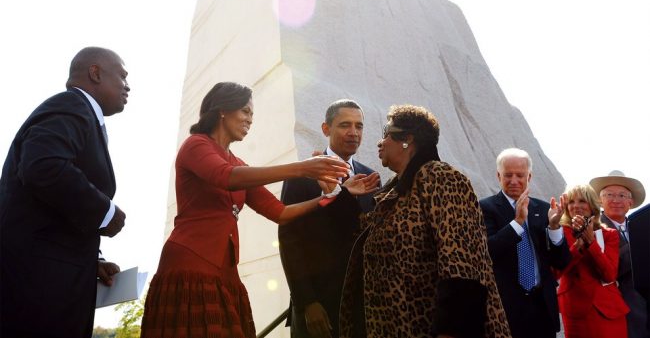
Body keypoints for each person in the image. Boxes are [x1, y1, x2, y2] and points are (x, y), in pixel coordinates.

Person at [139, 82, 375, 338]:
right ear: (222, 110)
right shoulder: (196, 145)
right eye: (245, 111)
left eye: (252, 114)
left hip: (224, 271)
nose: (250, 120)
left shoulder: (238, 162)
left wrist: (334, 195)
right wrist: (302, 168)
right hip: (189, 264)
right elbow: (226, 176)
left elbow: (279, 213)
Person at [332, 104, 511, 338]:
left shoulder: (441, 177)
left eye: (386, 134)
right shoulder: (392, 191)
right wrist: (340, 196)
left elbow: (463, 265)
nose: (380, 142)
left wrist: (451, 331)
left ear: (407, 139)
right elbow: (356, 244)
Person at [0, 47, 129, 338]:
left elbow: (53, 205)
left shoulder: (81, 114)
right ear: (95, 73)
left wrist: (93, 259)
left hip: (53, 278)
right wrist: (104, 211)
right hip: (38, 284)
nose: (127, 85)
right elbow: (42, 166)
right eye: (122, 76)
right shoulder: (71, 106)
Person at [278, 99, 379, 338]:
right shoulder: (303, 174)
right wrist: (307, 301)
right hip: (318, 308)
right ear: (326, 129)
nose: (354, 133)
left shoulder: (371, 178)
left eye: (359, 126)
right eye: (345, 125)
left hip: (362, 308)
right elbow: (290, 240)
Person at [479, 148, 570, 338]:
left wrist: (554, 227)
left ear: (529, 176)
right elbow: (488, 252)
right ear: (498, 176)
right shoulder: (484, 207)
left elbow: (561, 262)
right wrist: (518, 223)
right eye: (508, 175)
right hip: (504, 308)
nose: (514, 181)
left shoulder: (544, 209)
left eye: (520, 175)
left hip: (542, 308)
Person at [553, 184, 629, 338]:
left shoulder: (609, 234)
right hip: (576, 310)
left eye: (582, 201)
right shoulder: (560, 231)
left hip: (610, 310)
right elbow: (557, 272)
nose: (576, 206)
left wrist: (591, 244)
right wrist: (578, 246)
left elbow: (609, 275)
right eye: (571, 202)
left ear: (592, 205)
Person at [591, 170, 649, 338]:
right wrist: (640, 243)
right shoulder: (593, 230)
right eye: (609, 195)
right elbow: (606, 269)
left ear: (630, 202)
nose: (616, 200)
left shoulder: (640, 226)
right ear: (600, 201)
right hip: (619, 313)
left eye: (622, 195)